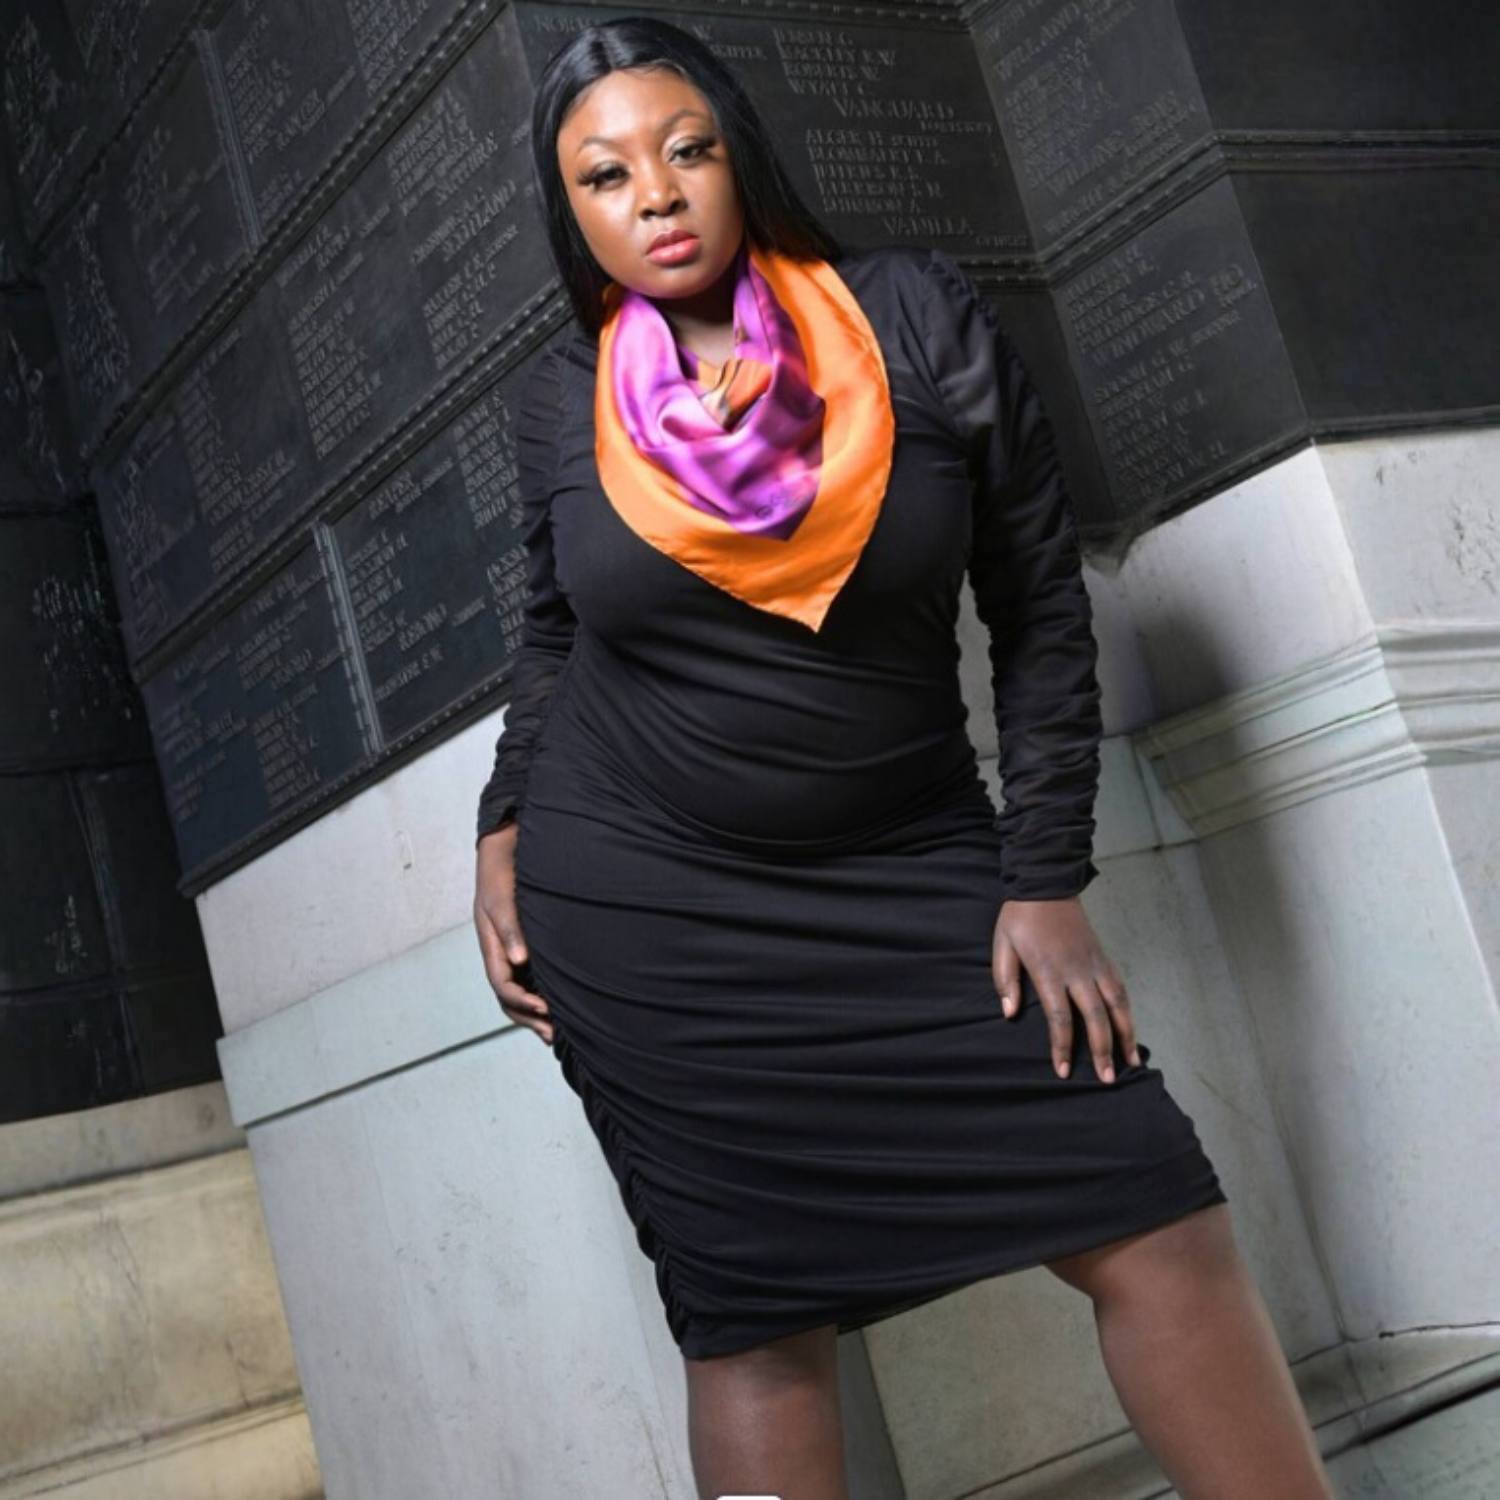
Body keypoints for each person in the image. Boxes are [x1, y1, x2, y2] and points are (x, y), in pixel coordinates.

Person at [472, 17, 1333, 1500]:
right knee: (752, 1323)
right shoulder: (564, 399)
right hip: (647, 912)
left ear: (740, 159)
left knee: (1154, 1213)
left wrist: (1044, 873)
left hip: (916, 860)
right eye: (605, 176)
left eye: (688, 151)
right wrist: (500, 831)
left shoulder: (913, 315)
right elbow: (555, 637)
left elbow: (1040, 603)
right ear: (577, 216)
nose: (657, 195)